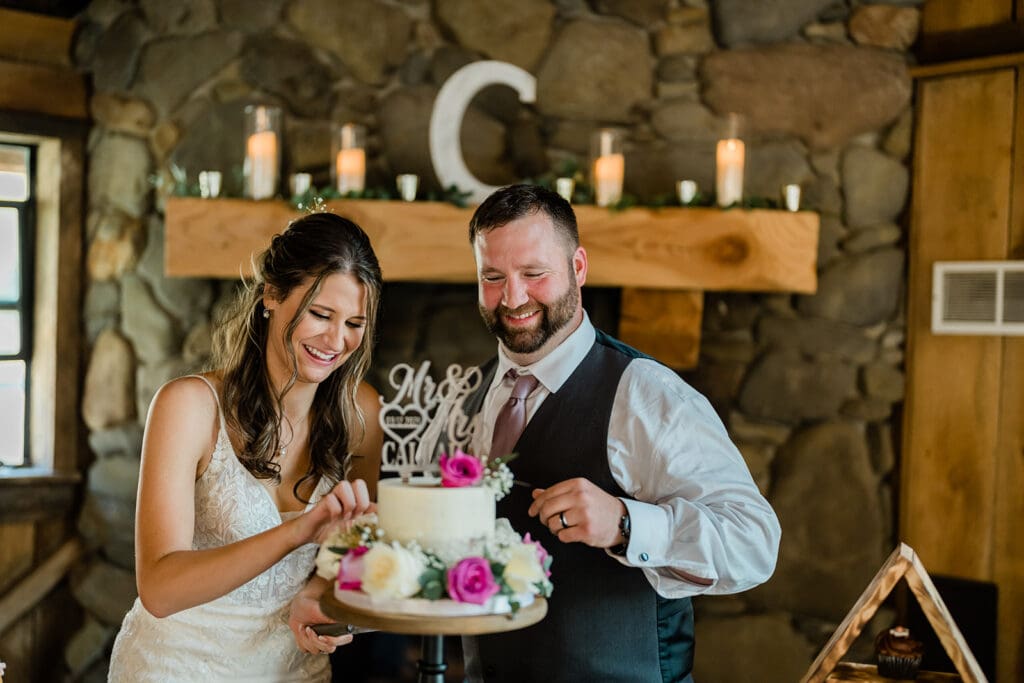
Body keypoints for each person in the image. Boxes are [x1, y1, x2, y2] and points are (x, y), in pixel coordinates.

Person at [461, 184, 781, 682]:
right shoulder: (473, 391)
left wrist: (627, 523)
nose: (513, 297)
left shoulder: (647, 394)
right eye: (493, 276)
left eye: (534, 273)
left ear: (579, 268)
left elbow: (755, 542)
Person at [108, 212, 385, 682]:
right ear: (271, 296)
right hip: (175, 668)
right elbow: (159, 588)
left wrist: (316, 590)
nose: (336, 341)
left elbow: (350, 542)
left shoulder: (363, 413)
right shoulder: (189, 406)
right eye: (320, 314)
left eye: (354, 323)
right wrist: (298, 531)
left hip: (295, 669)